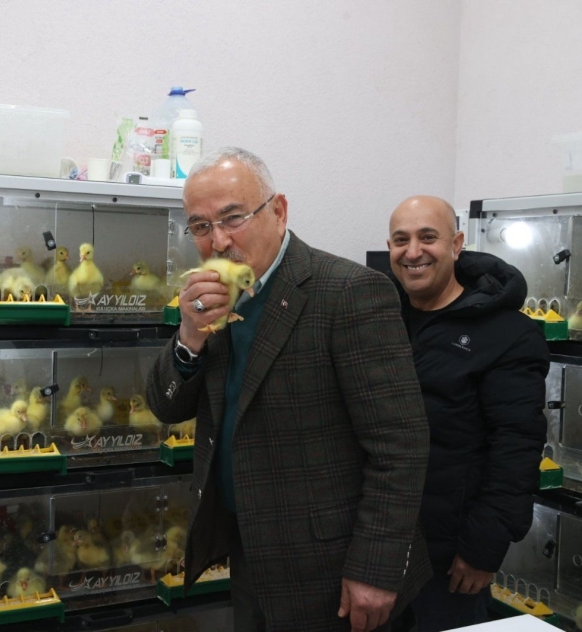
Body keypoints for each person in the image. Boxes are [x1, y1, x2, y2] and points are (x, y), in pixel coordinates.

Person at [146, 147, 431, 632]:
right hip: (249, 551)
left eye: (233, 218)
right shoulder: (212, 298)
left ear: (278, 211)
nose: (218, 240)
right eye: (200, 225)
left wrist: (376, 569)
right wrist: (189, 336)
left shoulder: (348, 293)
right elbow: (166, 406)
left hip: (332, 566)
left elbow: (400, 445)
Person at [386, 196, 549, 631]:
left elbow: (516, 446)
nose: (413, 252)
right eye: (401, 240)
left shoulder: (508, 334)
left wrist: (483, 546)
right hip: (379, 545)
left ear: (457, 244)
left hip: (450, 557)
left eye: (428, 237)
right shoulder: (379, 319)